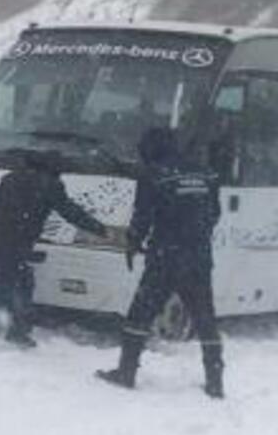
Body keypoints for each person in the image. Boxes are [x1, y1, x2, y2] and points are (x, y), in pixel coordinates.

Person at [97, 128, 226, 398]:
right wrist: (195, 236)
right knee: (205, 319)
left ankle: (126, 371)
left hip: (165, 257)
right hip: (199, 258)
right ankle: (215, 381)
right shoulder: (206, 173)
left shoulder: (154, 175)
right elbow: (214, 213)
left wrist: (133, 243)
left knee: (140, 314)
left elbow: (142, 218)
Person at [0, 151, 107, 352]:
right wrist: (99, 229)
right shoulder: (49, 185)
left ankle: (17, 331)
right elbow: (70, 211)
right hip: (17, 241)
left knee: (23, 282)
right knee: (4, 290)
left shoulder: (12, 180)